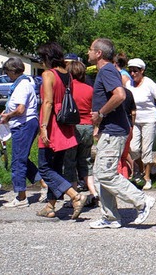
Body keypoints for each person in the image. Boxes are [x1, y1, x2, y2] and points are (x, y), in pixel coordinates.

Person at [87, 38, 154, 228]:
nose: (88, 52)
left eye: (91, 49)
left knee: (106, 174)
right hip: (111, 130)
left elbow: (120, 95)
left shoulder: (107, 70)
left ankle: (142, 201)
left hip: (114, 131)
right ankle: (110, 218)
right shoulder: (107, 71)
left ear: (99, 53)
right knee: (100, 175)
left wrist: (100, 113)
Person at [35, 42, 87, 219]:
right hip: (65, 123)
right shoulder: (67, 75)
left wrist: (43, 127)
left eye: (42, 58)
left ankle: (75, 196)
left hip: (52, 123)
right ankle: (50, 206)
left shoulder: (48, 74)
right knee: (55, 166)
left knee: (44, 167)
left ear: (47, 58)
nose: (41, 62)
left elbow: (48, 102)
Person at [0, 58, 46, 208]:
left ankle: (21, 197)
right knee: (22, 158)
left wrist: (9, 116)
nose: (6, 75)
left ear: (13, 71)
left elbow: (20, 109)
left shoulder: (22, 85)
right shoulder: (21, 84)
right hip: (24, 124)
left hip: (23, 125)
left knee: (17, 162)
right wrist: (6, 112)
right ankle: (44, 183)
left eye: (7, 72)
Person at [126, 58, 156, 190]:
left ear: (142, 71)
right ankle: (140, 169)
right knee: (133, 148)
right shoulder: (129, 85)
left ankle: (147, 177)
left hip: (149, 120)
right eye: (130, 71)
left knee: (146, 150)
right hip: (135, 121)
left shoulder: (149, 83)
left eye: (135, 71)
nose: (132, 74)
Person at [63, 60, 99, 206]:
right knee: (85, 162)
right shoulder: (90, 89)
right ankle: (94, 193)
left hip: (73, 127)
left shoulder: (68, 89)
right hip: (88, 127)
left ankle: (75, 197)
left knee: (70, 162)